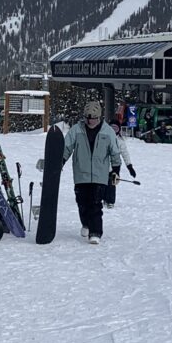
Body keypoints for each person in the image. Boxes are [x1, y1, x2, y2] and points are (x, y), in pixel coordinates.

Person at [63, 101, 121, 244]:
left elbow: (115, 153)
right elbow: (66, 148)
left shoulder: (108, 132)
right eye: (87, 118)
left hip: (99, 175)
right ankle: (86, 224)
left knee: (95, 204)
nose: (90, 121)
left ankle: (95, 232)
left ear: (99, 117)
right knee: (82, 203)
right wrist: (60, 162)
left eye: (93, 118)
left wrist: (115, 170)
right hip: (81, 174)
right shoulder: (76, 130)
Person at [105, 120, 136, 208]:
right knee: (103, 182)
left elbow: (125, 153)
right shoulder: (104, 139)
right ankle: (103, 198)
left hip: (116, 165)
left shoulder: (120, 141)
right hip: (104, 163)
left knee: (112, 182)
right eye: (111, 129)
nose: (113, 131)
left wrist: (129, 166)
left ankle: (110, 201)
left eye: (115, 129)